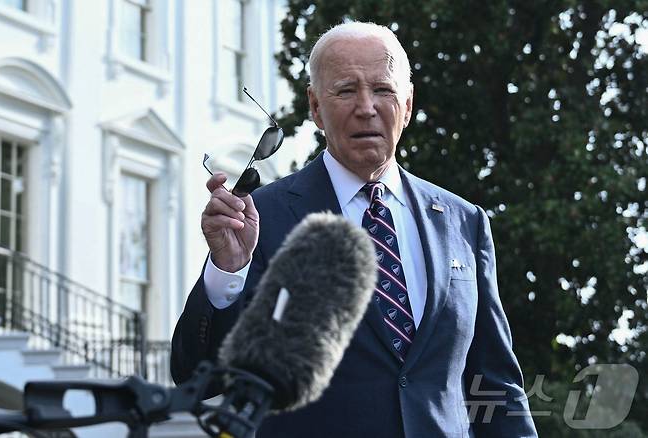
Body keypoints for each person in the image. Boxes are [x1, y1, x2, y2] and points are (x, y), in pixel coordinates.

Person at [171, 21, 538, 438]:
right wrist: (226, 273)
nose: (366, 107)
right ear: (314, 107)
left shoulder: (462, 221)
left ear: (408, 103)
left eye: (383, 90)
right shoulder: (262, 217)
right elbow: (196, 375)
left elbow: (497, 385)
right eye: (346, 90)